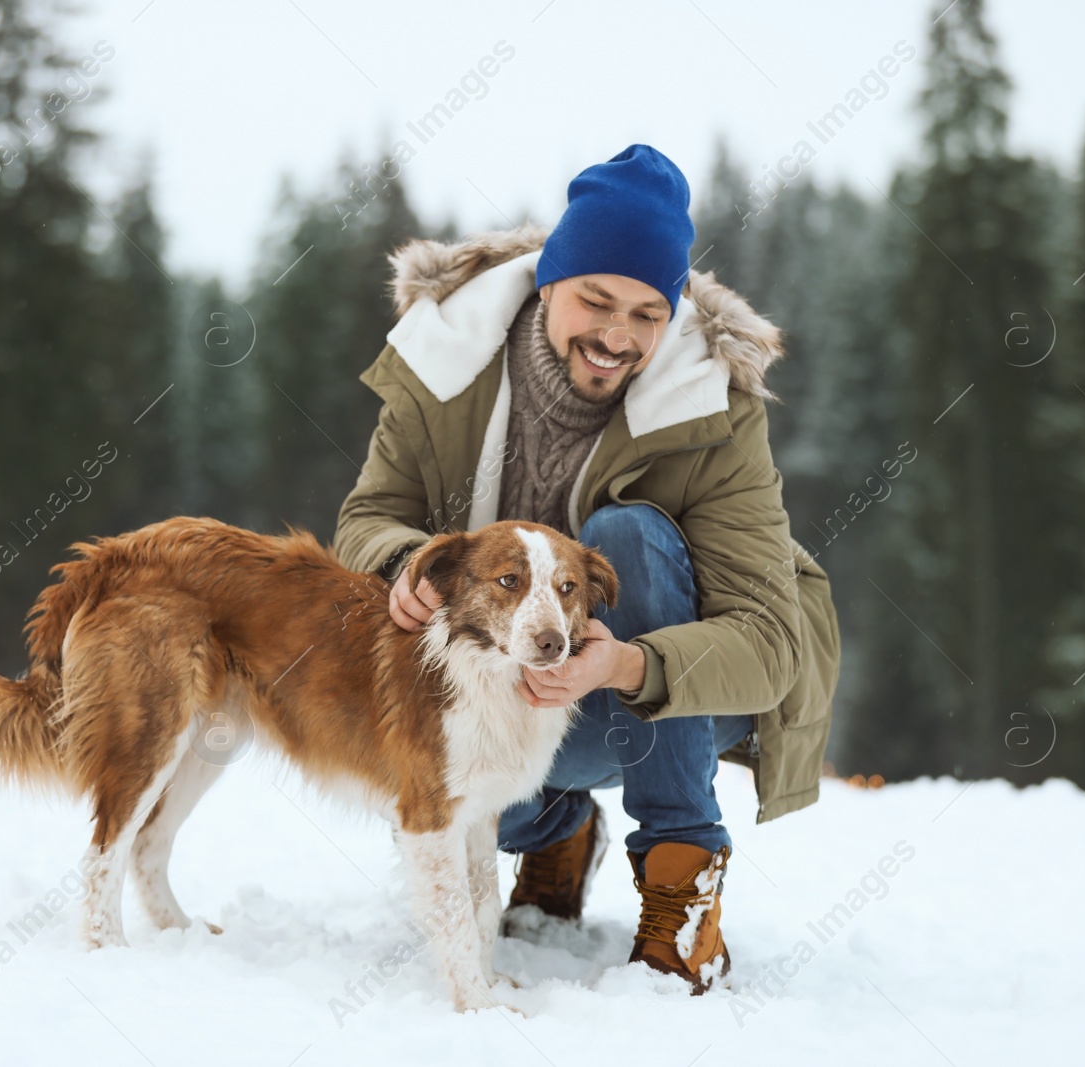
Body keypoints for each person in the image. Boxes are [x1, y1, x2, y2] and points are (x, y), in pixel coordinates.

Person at [332, 144, 841, 994]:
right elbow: (367, 518)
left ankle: (682, 888)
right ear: (544, 284)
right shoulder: (446, 365)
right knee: (453, 789)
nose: (617, 335)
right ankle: (553, 827)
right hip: (511, 684)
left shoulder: (716, 407)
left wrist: (627, 662)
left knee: (628, 533)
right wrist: (406, 566)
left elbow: (771, 642)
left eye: (648, 313)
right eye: (595, 301)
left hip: (671, 701)